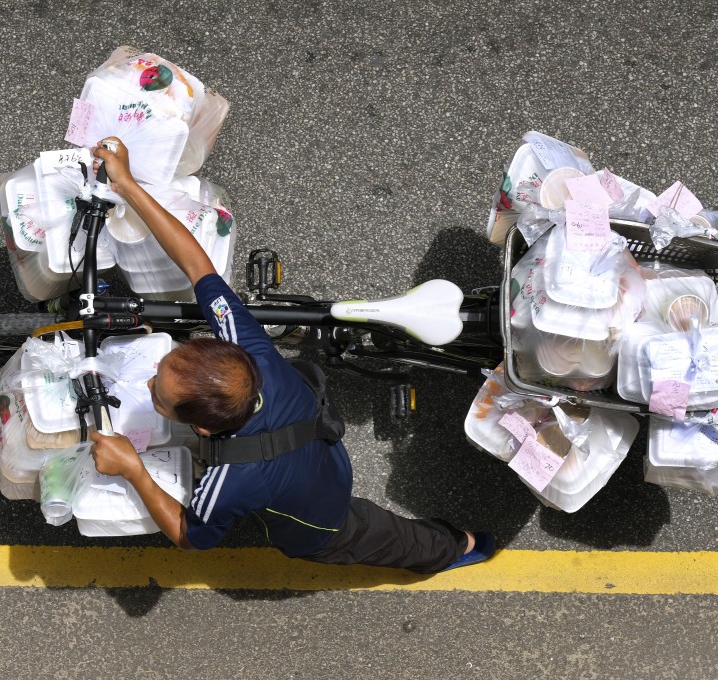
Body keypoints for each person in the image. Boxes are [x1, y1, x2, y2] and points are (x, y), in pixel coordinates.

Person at [88, 137, 495, 573]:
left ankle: (458, 546)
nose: (149, 382)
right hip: (318, 449)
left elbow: (191, 536)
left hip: (321, 519)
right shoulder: (251, 350)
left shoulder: (231, 481)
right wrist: (127, 184)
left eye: (158, 393)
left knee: (384, 537)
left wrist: (133, 469)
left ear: (203, 427)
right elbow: (197, 265)